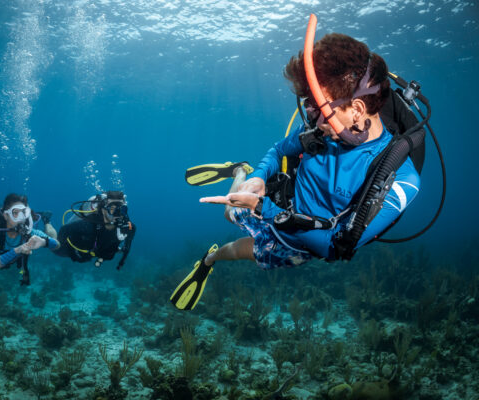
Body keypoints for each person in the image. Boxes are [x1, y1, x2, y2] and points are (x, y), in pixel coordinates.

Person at [171, 15, 424, 310]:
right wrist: (261, 176)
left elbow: (335, 248)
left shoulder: (401, 180)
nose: (311, 120)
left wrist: (262, 208)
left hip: (299, 241)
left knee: (249, 252)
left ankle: (208, 260)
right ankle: (241, 171)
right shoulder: (321, 128)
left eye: (317, 109)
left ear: (356, 109)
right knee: (229, 213)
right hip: (276, 200)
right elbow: (280, 150)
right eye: (308, 107)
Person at [51, 191, 136, 270]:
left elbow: (125, 248)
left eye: (121, 209)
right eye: (112, 209)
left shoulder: (128, 228)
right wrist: (65, 246)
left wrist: (120, 259)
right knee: (54, 246)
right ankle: (46, 220)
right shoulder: (87, 225)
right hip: (71, 250)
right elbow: (64, 229)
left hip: (92, 252)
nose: (117, 214)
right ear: (103, 210)